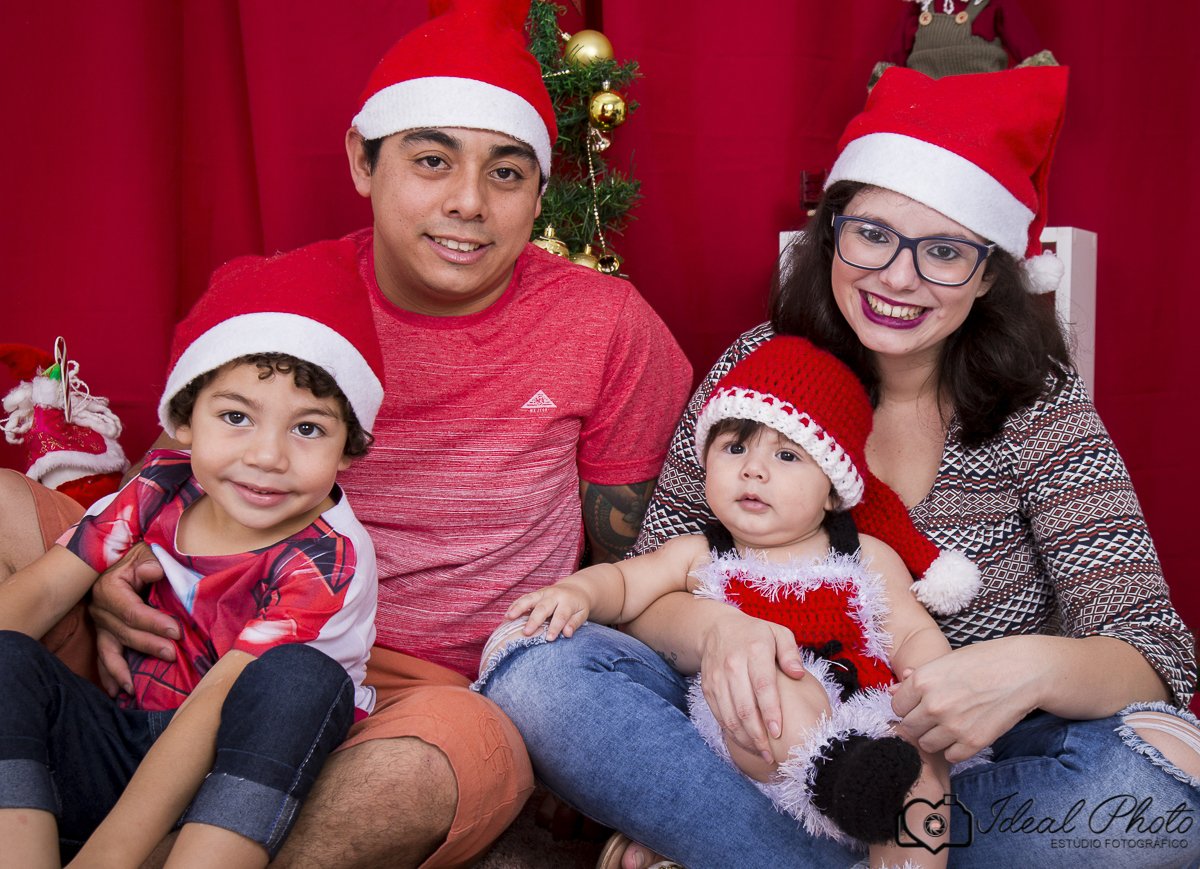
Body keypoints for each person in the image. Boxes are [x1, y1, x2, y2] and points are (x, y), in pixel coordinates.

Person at [0, 1, 693, 867]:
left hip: (412, 695)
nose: (468, 203)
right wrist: (112, 579)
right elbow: (175, 475)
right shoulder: (290, 295)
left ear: (540, 191)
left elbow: (651, 554)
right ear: (363, 162)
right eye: (432, 160)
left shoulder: (604, 326)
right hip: (189, 627)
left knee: (416, 775)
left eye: (507, 174)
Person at [481, 65, 1200, 869]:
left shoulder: (1039, 404)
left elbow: (1153, 650)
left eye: (945, 251)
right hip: (757, 733)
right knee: (538, 670)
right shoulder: (761, 369)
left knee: (1164, 803)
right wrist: (722, 630)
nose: (897, 276)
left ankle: (724, 838)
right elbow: (648, 587)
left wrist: (1028, 668)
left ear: (991, 270)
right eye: (872, 235)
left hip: (966, 767)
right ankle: (801, 834)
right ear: (833, 233)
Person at [479, 335, 990, 867]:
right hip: (758, 742)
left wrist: (939, 689)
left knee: (919, 768)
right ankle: (835, 771)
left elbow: (910, 633)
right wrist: (577, 590)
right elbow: (627, 586)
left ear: (834, 490)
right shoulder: (699, 555)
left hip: (872, 718)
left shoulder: (867, 554)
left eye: (787, 455)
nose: (753, 470)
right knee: (777, 683)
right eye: (735, 447)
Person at [0, 244, 384, 869]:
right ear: (184, 419)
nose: (267, 456)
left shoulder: (328, 557)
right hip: (125, 742)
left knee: (298, 681)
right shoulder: (160, 485)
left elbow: (211, 713)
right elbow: (42, 592)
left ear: (348, 449)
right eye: (236, 416)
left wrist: (108, 860)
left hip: (241, 777)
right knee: (7, 652)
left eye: (308, 428)